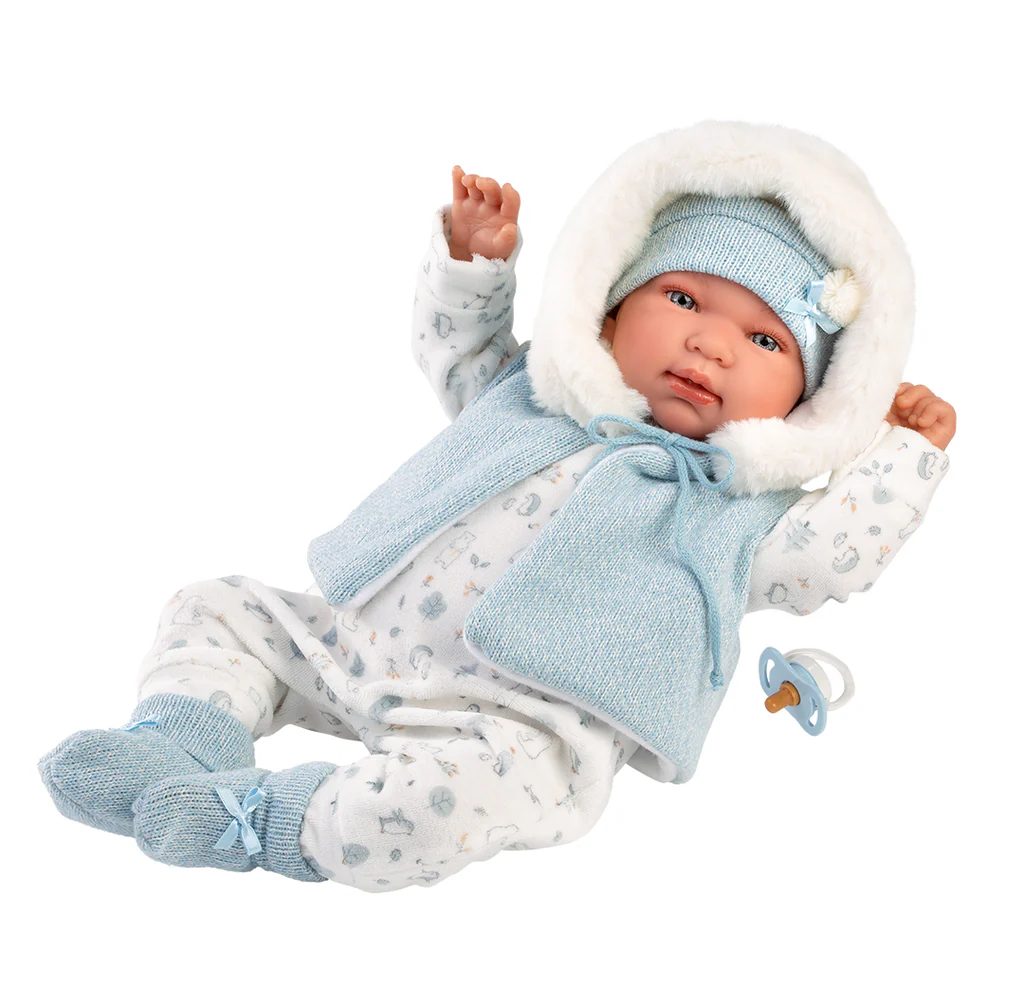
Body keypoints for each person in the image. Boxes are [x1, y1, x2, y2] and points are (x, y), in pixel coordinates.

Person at [39, 121, 955, 892]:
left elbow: (828, 559)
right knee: (218, 608)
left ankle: (258, 820)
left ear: (806, 404)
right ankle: (179, 744)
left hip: (520, 729)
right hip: (359, 643)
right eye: (682, 297)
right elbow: (461, 352)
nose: (712, 344)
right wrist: (474, 264)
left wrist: (906, 454)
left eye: (765, 340)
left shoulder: (739, 511)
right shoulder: (536, 394)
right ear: (606, 314)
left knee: (443, 807)